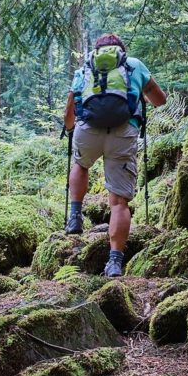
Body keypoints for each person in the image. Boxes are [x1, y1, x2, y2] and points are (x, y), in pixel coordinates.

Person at [63, 33, 167, 277]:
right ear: (121, 50)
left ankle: (75, 216)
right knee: (119, 202)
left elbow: (71, 105)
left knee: (81, 164)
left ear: (98, 51)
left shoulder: (86, 68)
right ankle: (114, 263)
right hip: (122, 132)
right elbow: (160, 101)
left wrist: (70, 129)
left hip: (87, 130)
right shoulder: (134, 65)